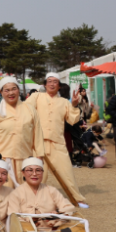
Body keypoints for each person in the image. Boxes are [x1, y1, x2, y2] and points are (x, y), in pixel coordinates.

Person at [33, 73, 88, 206]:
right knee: (37, 174)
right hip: (39, 143)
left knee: (67, 171)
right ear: (45, 84)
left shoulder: (64, 102)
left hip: (58, 142)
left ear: (59, 86)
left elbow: (73, 119)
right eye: (49, 81)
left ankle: (76, 198)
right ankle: (34, 201)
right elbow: (23, 110)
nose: (52, 84)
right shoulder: (36, 97)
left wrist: (74, 105)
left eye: (55, 82)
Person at [0, 77, 38, 176]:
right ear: (1, 92)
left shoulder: (30, 110)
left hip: (25, 157)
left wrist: (39, 156)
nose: (11, 93)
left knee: (24, 190)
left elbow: (37, 135)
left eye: (14, 89)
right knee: (4, 190)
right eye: (7, 90)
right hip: (2, 159)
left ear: (18, 90)